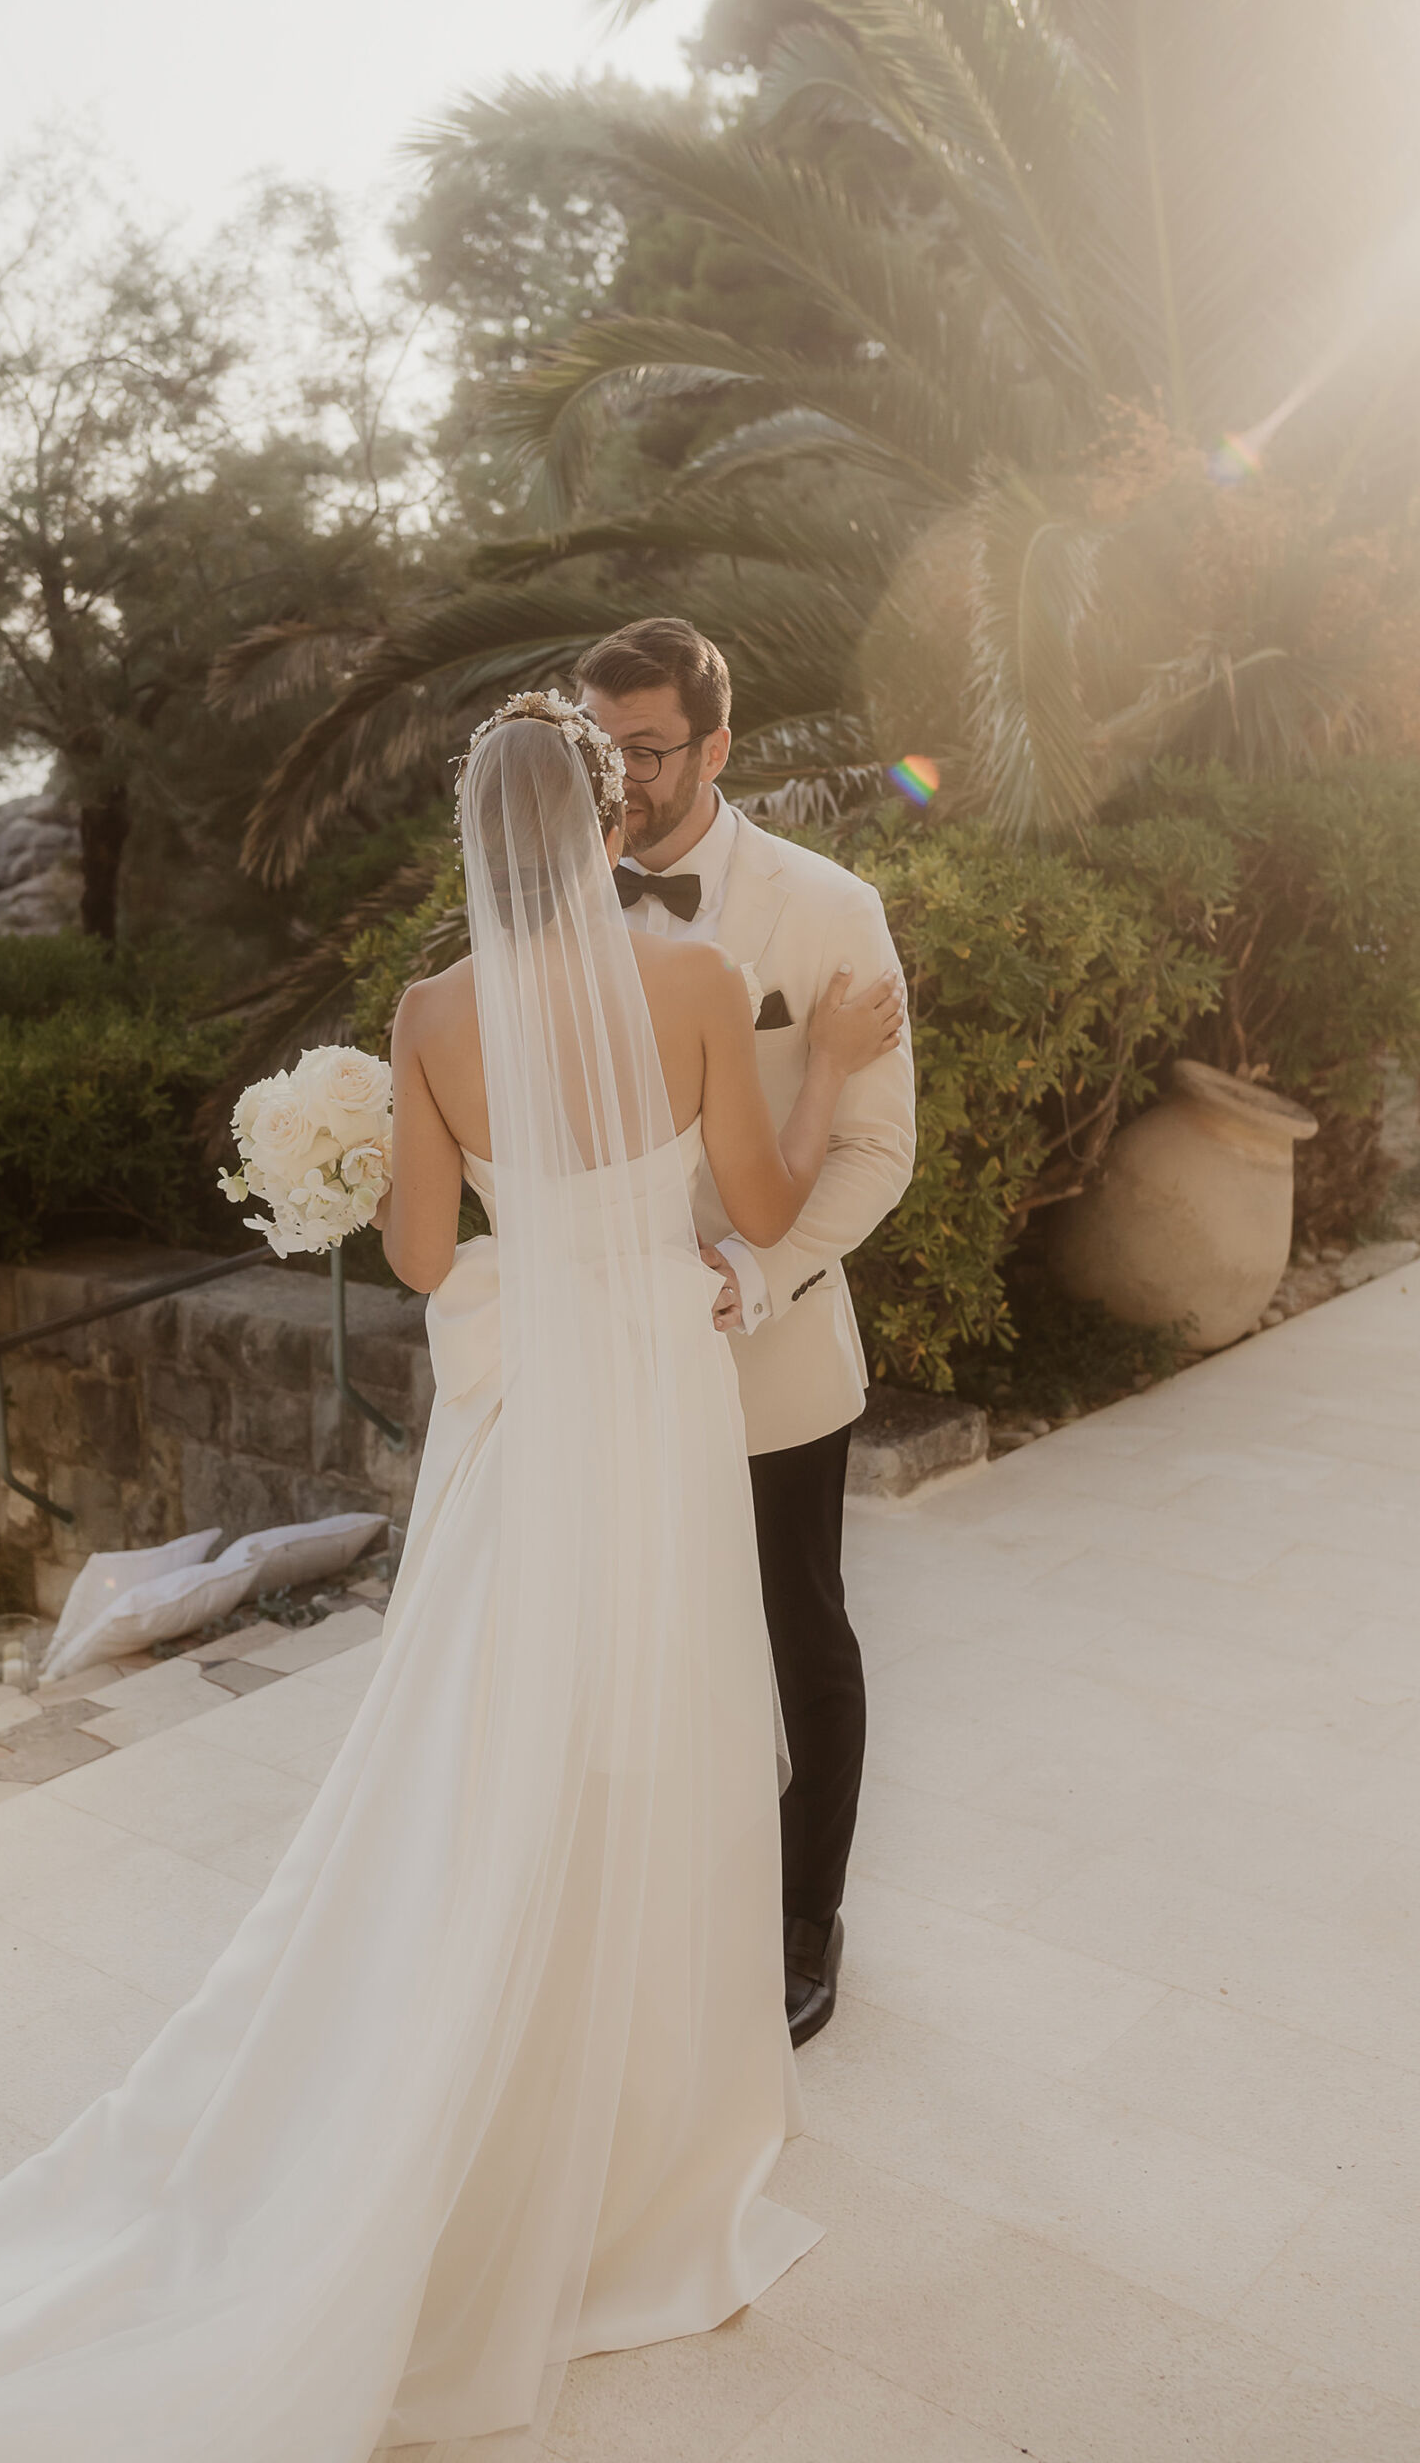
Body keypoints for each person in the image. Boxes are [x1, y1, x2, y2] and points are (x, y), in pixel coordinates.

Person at [0, 696, 903, 2463]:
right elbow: (765, 1216)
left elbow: (413, 1254)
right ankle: (633, 2112)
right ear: (611, 817)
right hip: (658, 1386)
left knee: (493, 1725)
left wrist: (400, 1157)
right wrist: (836, 1058)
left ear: (481, 838)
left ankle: (466, 2038)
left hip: (528, 1397)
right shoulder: (700, 988)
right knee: (667, 1705)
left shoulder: (433, 1018)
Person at [577, 621, 917, 2043]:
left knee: (798, 1629)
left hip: (773, 1349)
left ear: (718, 748)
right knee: (641, 1633)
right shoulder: (554, 896)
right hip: (618, 1356)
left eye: (647, 752)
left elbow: (879, 1152)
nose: (622, 783)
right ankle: (672, 1903)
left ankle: (801, 1914)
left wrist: (750, 1277)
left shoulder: (828, 909)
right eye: (600, 752)